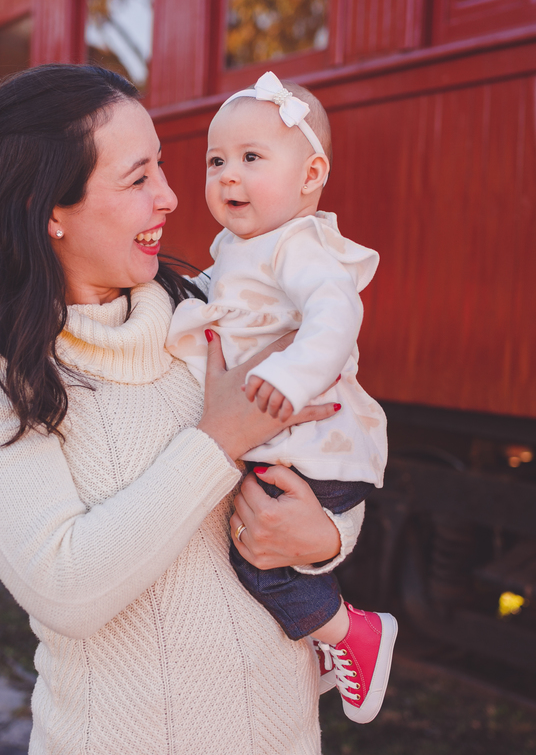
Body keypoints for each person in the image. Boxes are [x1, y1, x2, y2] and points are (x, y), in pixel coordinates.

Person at [0, 63, 366, 754]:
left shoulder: (207, 311)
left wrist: (328, 538)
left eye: (161, 166)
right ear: (49, 210)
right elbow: (64, 589)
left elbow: (330, 447)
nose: (170, 197)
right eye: (137, 179)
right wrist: (216, 443)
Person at [166, 72, 397, 724]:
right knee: (257, 548)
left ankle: (353, 634)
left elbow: (336, 313)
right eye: (216, 161)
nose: (228, 176)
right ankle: (322, 636)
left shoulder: (299, 246)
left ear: (310, 175)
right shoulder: (238, 246)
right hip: (282, 441)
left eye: (250, 158)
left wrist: (295, 376)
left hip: (313, 445)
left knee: (259, 561)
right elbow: (220, 295)